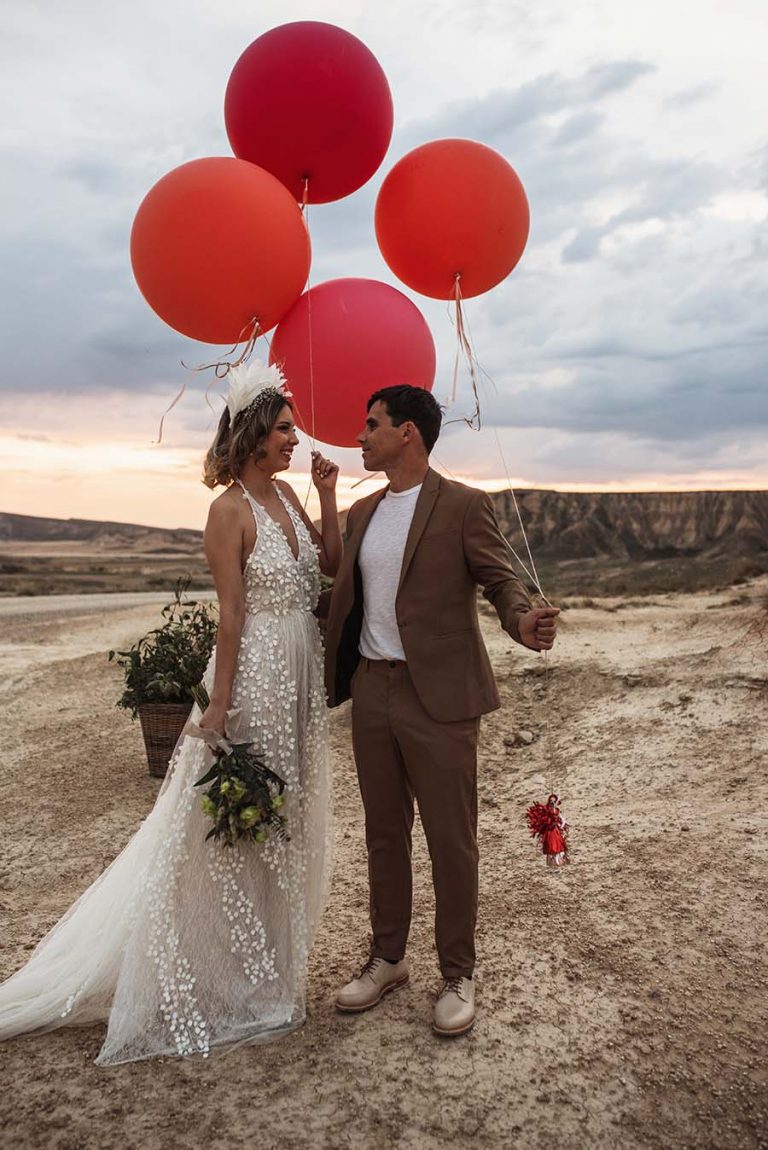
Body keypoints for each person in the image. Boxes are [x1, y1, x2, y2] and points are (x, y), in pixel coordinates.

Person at [0, 361, 340, 1064]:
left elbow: (327, 566)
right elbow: (232, 615)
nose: (294, 440)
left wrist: (328, 497)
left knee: (286, 819)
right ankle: (226, 978)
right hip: (255, 680)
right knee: (240, 826)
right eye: (284, 430)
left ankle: (271, 971)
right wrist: (217, 708)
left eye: (293, 429)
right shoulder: (229, 511)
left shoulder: (289, 501)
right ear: (252, 436)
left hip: (302, 673)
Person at [324, 385, 558, 1037]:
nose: (360, 435)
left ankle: (458, 972)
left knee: (451, 841)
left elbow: (500, 580)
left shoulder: (463, 505)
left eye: (370, 425)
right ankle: (388, 958)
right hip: (372, 691)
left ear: (408, 433)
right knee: (383, 834)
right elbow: (343, 597)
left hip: (442, 700)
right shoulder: (362, 512)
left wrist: (523, 622)